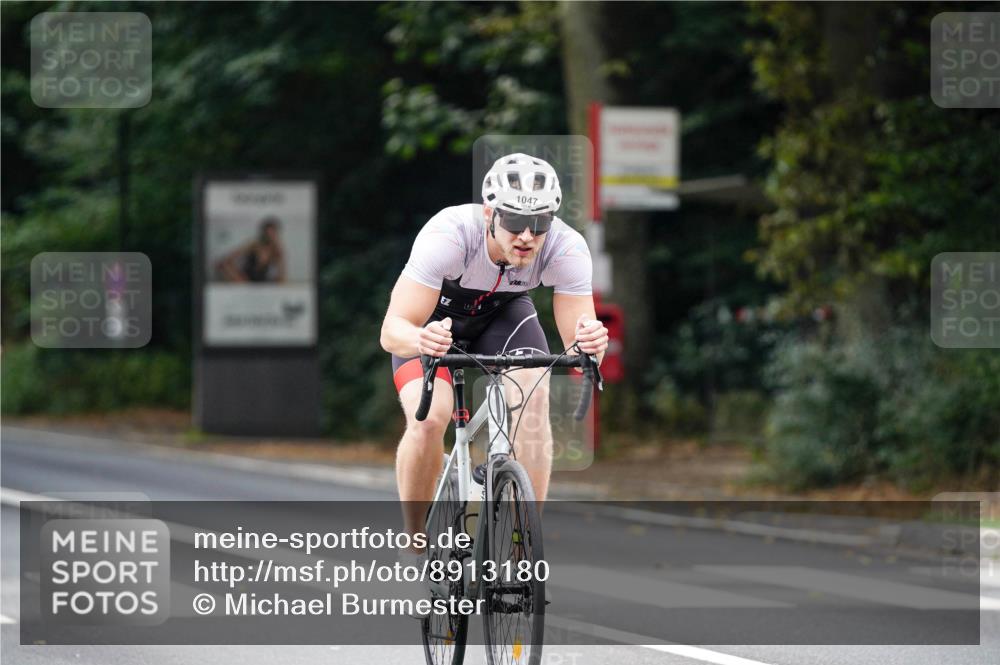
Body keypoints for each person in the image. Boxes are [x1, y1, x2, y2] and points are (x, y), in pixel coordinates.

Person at [380, 153, 609, 558]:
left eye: (539, 224)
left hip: (503, 317)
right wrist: (420, 340)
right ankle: (414, 537)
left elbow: (579, 339)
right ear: (489, 213)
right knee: (431, 420)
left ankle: (525, 546)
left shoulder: (566, 247)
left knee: (533, 400)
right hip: (434, 326)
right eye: (514, 222)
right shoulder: (448, 237)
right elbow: (392, 330)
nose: (527, 236)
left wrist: (591, 345)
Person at [215, 217, 286, 283]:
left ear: (276, 234)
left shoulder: (277, 250)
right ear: (263, 233)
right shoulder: (254, 245)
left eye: (273, 233)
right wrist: (237, 275)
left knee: (281, 280)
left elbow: (281, 274)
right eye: (268, 233)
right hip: (245, 279)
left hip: (262, 281)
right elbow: (228, 259)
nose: (270, 236)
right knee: (223, 264)